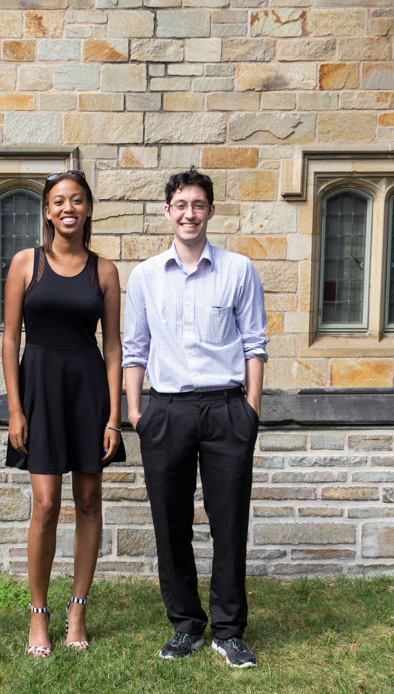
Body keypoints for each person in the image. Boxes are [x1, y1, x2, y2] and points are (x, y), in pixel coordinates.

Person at [122, 167, 268, 668]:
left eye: (198, 204)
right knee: (171, 523)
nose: (189, 213)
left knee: (229, 523)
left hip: (227, 409)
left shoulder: (239, 270)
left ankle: (229, 630)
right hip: (167, 411)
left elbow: (254, 344)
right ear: (168, 212)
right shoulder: (144, 277)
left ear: (210, 211)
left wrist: (251, 411)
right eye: (180, 205)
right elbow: (134, 349)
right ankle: (185, 625)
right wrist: (136, 412)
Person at [2, 170, 125, 658]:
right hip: (40, 390)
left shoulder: (105, 271)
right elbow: (10, 340)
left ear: (88, 209)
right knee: (47, 503)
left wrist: (115, 417)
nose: (68, 207)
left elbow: (114, 347)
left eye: (77, 200)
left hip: (88, 390)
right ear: (48, 212)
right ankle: (39, 615)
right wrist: (14, 408)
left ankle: (77, 610)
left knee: (90, 499)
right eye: (59, 201)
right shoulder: (25, 264)